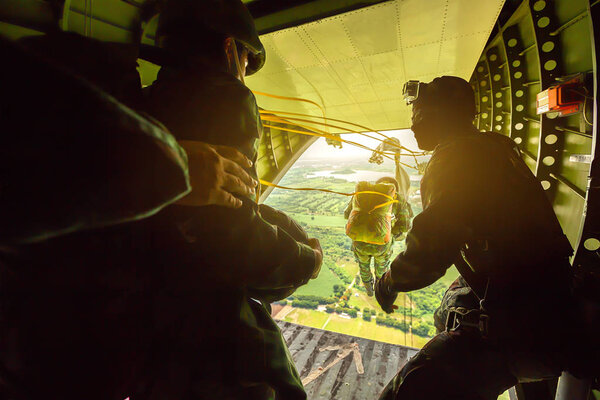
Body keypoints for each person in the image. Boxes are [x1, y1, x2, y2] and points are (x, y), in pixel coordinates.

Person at [375, 76, 580, 400]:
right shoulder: (493, 149)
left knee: (405, 392)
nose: (413, 124)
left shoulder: (454, 158)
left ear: (440, 114)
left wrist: (389, 281)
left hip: (520, 328)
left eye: (419, 114)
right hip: (549, 305)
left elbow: (431, 247)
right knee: (445, 311)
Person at [0, 36, 257, 245]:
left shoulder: (142, 91)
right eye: (246, 59)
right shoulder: (236, 99)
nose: (245, 68)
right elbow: (233, 239)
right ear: (229, 47)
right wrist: (173, 169)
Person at [344, 175, 412, 296]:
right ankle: (379, 288)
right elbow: (404, 226)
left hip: (359, 243)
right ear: (394, 189)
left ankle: (368, 288)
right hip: (382, 246)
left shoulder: (364, 194)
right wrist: (390, 234)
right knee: (381, 269)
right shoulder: (397, 198)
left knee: (363, 266)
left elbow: (346, 214)